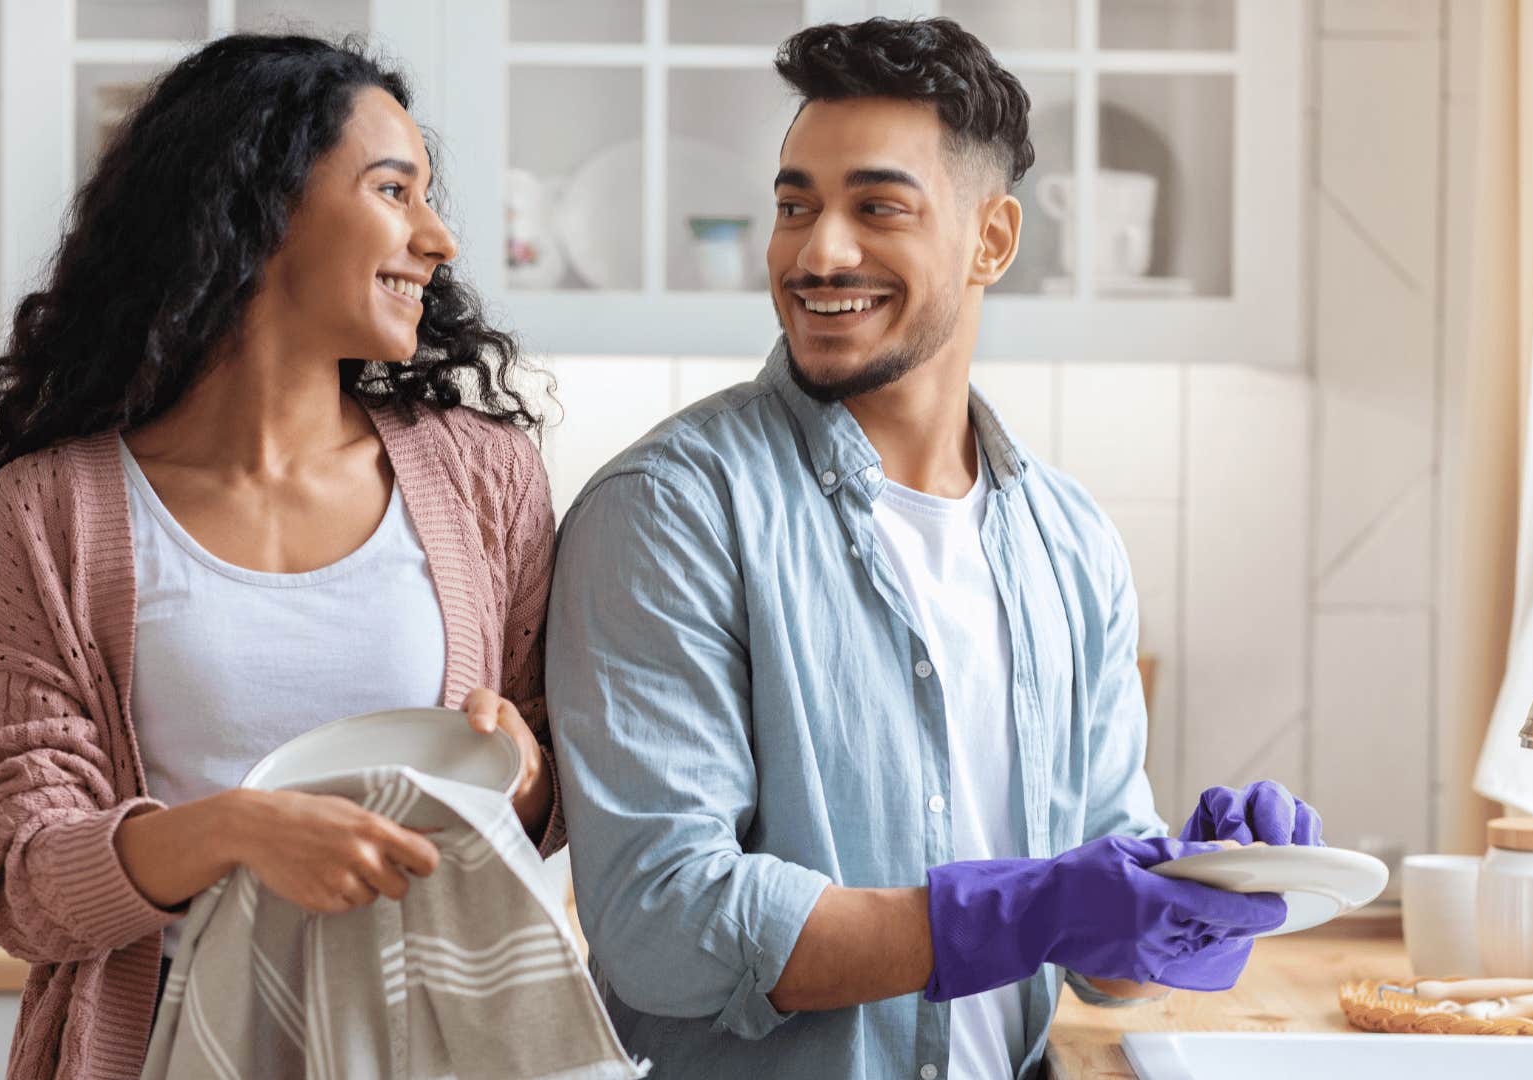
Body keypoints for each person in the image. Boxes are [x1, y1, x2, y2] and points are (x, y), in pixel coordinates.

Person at [546, 17, 1323, 1079]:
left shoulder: (1069, 544)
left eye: (877, 207)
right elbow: (664, 929)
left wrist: (1203, 886)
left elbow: (1111, 966)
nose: (817, 251)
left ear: (992, 240)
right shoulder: (674, 514)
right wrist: (1021, 910)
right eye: (794, 205)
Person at [0, 35, 559, 1079]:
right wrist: (234, 832)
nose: (438, 238)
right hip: (163, 1043)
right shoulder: (54, 511)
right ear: (257, 206)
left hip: (423, 1041)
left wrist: (524, 773)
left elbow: (549, 792)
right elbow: (14, 870)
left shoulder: (485, 478)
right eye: (395, 191)